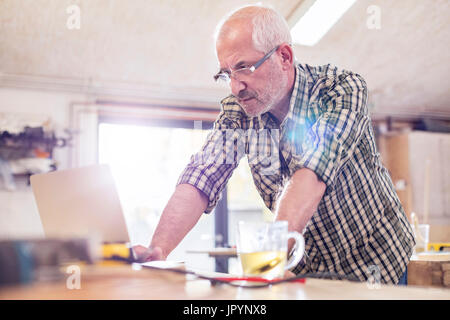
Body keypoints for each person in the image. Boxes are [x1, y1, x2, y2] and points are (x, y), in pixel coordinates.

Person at [134, 5, 415, 284]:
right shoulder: (239, 112)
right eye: (227, 73)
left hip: (378, 263)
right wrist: (158, 249)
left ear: (284, 56)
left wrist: (269, 255)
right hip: (311, 270)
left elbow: (313, 171)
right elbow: (202, 175)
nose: (235, 87)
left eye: (243, 68)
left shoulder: (341, 89)